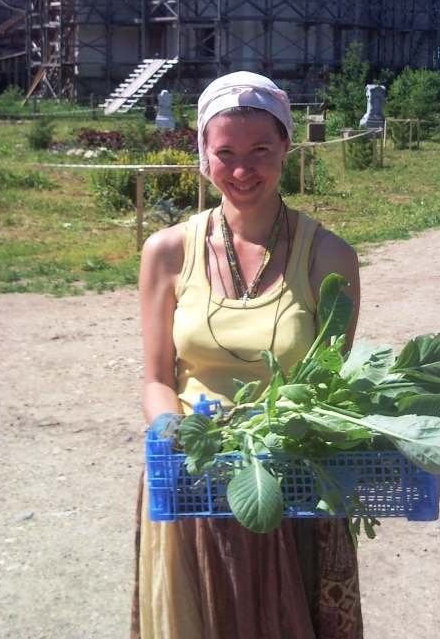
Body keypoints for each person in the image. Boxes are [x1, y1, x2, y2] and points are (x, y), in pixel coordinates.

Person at [132, 71, 363, 639]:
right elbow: (157, 378)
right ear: (203, 157)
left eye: (261, 150)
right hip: (193, 481)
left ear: (287, 147)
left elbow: (325, 391)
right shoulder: (165, 253)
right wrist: (171, 429)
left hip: (287, 490)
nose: (242, 170)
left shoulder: (327, 257)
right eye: (225, 152)